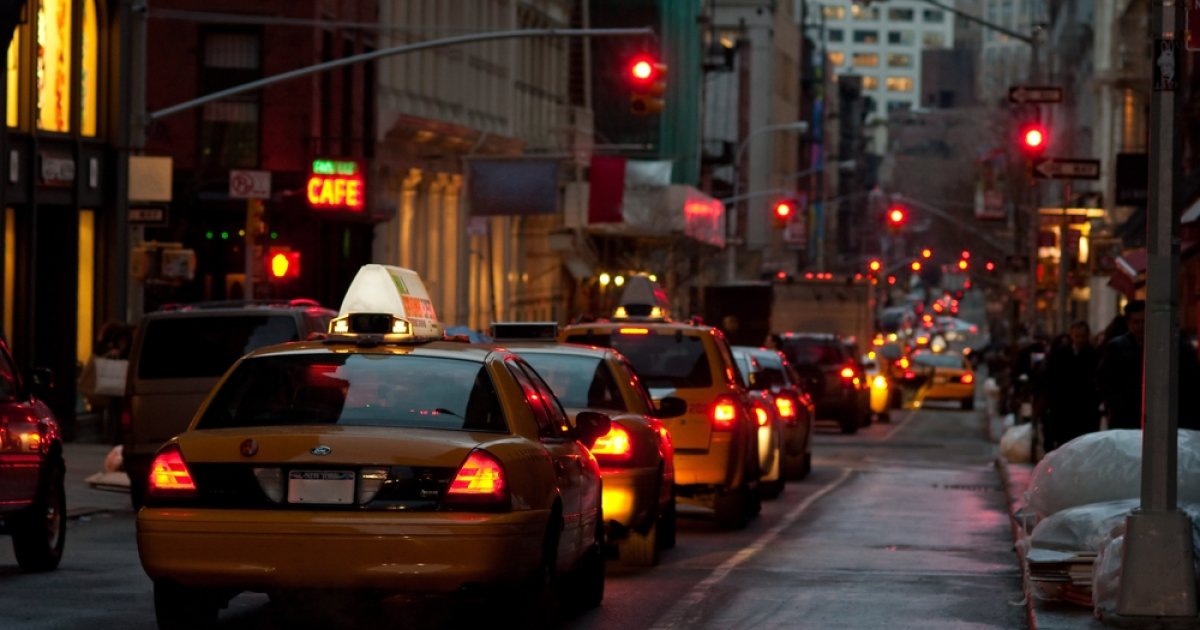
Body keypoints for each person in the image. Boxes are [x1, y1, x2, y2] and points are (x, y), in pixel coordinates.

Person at [1041, 321, 1101, 451]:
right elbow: (1051, 379)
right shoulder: (1060, 354)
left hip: (1085, 409)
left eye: (1083, 336)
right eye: (1077, 336)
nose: (1080, 340)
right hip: (1063, 408)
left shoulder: (1093, 354)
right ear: (1071, 336)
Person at [1097, 300, 1145, 430]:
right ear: (1128, 323)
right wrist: (1114, 404)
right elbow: (1104, 379)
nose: (1141, 326)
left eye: (1143, 322)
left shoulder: (1159, 345)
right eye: (1136, 322)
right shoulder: (1116, 347)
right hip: (1124, 414)